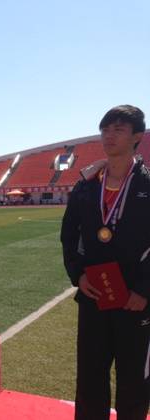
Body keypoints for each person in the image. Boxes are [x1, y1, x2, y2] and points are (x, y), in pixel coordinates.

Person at [61, 105, 150, 420]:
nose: (109, 136)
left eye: (119, 130)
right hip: (94, 297)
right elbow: (69, 236)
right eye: (105, 130)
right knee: (90, 376)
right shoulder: (86, 186)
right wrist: (79, 276)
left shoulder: (147, 185)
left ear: (137, 136)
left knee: (134, 381)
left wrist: (145, 290)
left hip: (135, 302)